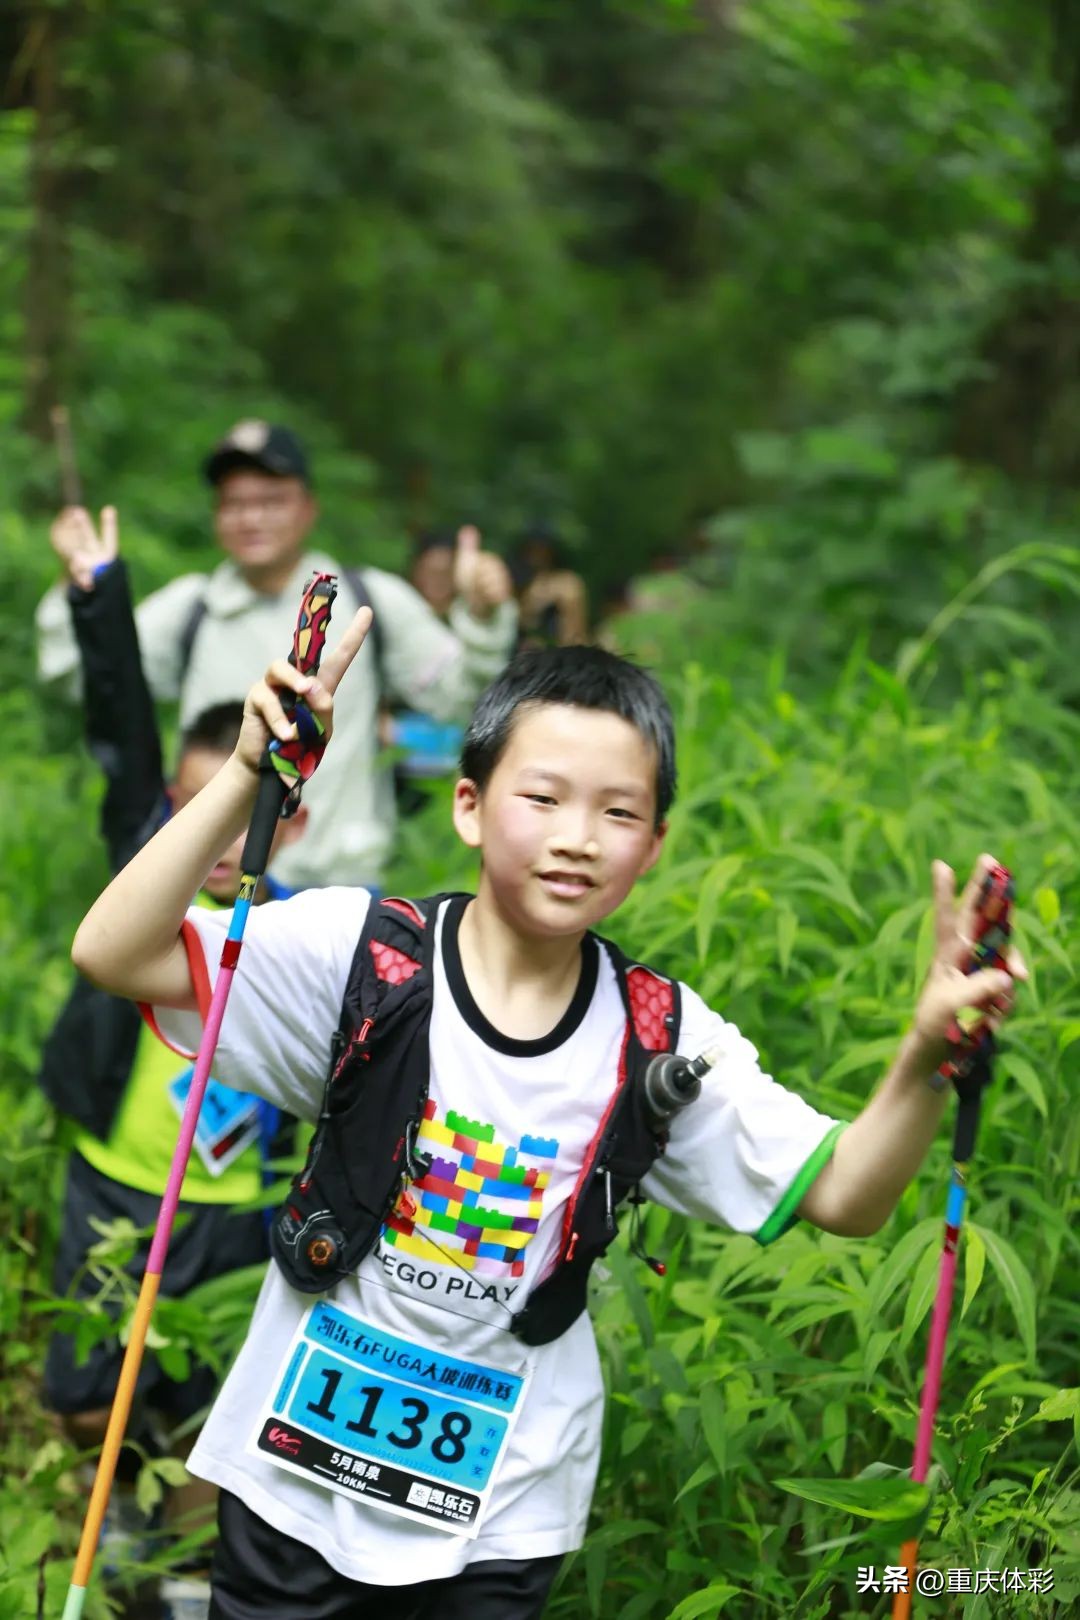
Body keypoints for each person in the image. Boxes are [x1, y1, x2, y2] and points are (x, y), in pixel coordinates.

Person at [69, 619, 1023, 1620]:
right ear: (470, 806)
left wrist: (925, 1054)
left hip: (502, 1511)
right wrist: (243, 777)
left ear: (654, 846)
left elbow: (846, 1195)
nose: (578, 837)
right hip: (292, 1475)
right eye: (544, 797)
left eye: (619, 811)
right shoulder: (360, 957)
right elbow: (115, 952)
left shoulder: (660, 1040)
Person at [39, 506, 306, 1620]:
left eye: (246, 813)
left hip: (236, 1214)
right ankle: (106, 1523)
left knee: (209, 1418)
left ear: (290, 823)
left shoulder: (312, 935)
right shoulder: (144, 886)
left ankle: (181, 1582)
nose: (221, 837)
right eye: (196, 810)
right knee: (86, 1395)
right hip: (116, 1188)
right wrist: (100, 597)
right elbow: (119, 733)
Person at [36, 421, 518, 891]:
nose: (251, 518)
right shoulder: (192, 610)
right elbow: (87, 680)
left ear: (309, 508)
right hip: (213, 887)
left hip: (338, 892)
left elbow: (463, 698)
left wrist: (483, 617)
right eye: (234, 504)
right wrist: (77, 586)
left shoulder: (368, 603)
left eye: (271, 501)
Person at [510, 522, 589, 649]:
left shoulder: (567, 582)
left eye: (542, 550)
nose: (537, 555)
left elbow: (576, 630)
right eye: (532, 549)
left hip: (559, 649)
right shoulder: (517, 581)